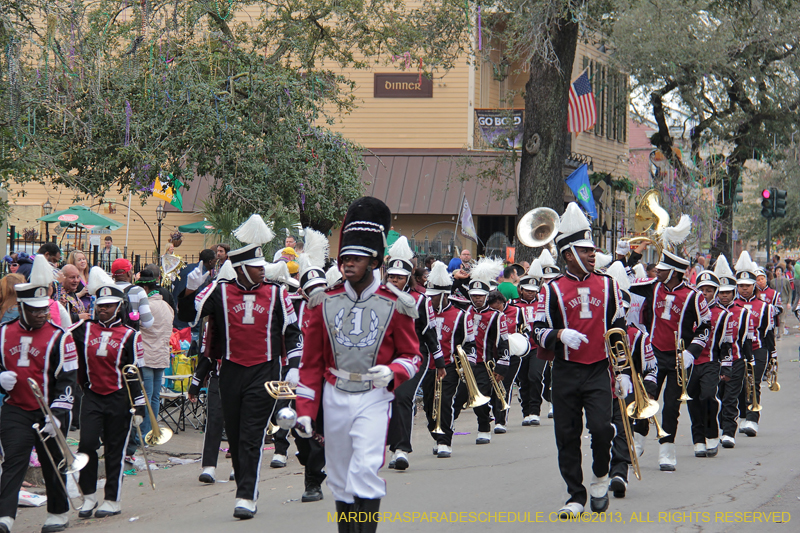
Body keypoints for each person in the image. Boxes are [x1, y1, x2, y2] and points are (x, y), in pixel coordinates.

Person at [295, 197, 421, 533]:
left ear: (375, 261)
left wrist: (393, 372)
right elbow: (310, 364)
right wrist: (305, 409)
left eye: (356, 258)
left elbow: (413, 357)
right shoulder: (324, 301)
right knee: (339, 474)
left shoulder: (398, 304)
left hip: (374, 395)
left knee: (365, 468)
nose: (347, 264)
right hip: (335, 393)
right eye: (344, 258)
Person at [178, 214, 303, 520]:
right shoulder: (220, 292)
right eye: (257, 267)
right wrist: (190, 289)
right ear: (243, 269)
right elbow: (187, 316)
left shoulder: (276, 294)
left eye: (263, 267)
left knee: (251, 434)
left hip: (264, 371)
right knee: (233, 434)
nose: (263, 271)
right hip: (230, 370)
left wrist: (294, 369)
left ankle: (245, 494)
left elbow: (293, 333)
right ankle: (247, 483)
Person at [532, 204, 627, 517]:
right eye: (586, 250)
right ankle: (575, 494)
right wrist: (559, 335)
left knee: (602, 429)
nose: (593, 254)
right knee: (567, 435)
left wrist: (624, 372)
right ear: (568, 253)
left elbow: (619, 331)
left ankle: (600, 475)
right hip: (566, 372)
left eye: (593, 249)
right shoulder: (551, 290)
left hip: (599, 369)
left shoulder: (609, 285)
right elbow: (537, 331)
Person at [0, 255, 78, 533]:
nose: (41, 313)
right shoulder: (3, 333)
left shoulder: (60, 336)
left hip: (50, 408)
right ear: (21, 308)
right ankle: (5, 517)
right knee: (14, 459)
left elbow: (68, 379)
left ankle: (57, 513)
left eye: (44, 308)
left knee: (52, 461)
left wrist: (57, 414)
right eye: (34, 310)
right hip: (16, 408)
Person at [71, 267, 145, 519]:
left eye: (109, 306)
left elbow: (135, 373)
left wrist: (140, 406)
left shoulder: (130, 336)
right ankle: (89, 496)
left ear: (119, 307)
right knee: (86, 445)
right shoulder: (82, 330)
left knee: (115, 449)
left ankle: (112, 499)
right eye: (100, 305)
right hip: (92, 396)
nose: (103, 310)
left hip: (119, 398)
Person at [630, 243, 711, 472]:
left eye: (662, 270)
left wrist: (691, 353)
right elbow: (625, 283)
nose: (657, 272)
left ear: (673, 272)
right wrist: (628, 256)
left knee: (671, 407)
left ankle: (667, 449)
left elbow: (705, 327)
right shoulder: (651, 287)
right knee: (646, 398)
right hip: (653, 354)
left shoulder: (694, 296)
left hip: (678, 357)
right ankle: (638, 441)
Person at [384, 237, 441, 471]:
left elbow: (430, 332)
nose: (394, 280)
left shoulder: (421, 301)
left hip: (415, 357)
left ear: (408, 278)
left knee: (402, 396)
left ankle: (401, 450)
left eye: (399, 277)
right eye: (391, 276)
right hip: (386, 358)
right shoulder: (377, 298)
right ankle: (389, 444)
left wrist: (440, 362)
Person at [603, 261, 658, 498]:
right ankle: (603, 470)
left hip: (627, 391)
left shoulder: (638, 336)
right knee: (603, 431)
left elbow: (652, 368)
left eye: (621, 309)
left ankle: (619, 473)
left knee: (624, 428)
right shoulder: (595, 333)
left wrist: (647, 391)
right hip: (598, 388)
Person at [420, 261, 474, 458]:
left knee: (445, 402)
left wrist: (468, 363)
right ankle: (437, 434)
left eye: (433, 297)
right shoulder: (422, 313)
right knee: (428, 406)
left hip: (449, 366)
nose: (429, 300)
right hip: (427, 366)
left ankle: (445, 440)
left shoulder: (461, 315)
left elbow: (469, 343)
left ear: (443, 295)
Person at [455, 257, 509, 444]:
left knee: (482, 398)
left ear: (487, 296)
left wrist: (502, 367)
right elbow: (447, 291)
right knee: (457, 398)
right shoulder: (463, 312)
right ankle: (445, 429)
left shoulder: (497, 316)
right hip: (465, 364)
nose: (477, 298)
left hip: (485, 364)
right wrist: (458, 278)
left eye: (480, 295)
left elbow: (503, 342)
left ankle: (484, 428)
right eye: (474, 295)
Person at [713, 256, 752, 449]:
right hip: (714, 361)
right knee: (717, 396)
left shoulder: (743, 312)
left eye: (728, 292)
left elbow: (745, 338)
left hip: (736, 360)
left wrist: (748, 360)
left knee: (730, 397)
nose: (725, 296)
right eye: (721, 293)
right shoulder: (710, 312)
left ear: (733, 292)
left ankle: (729, 431)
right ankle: (718, 428)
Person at [688, 270, 728, 458]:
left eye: (709, 290)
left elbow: (726, 341)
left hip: (711, 362)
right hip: (690, 363)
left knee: (708, 397)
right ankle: (698, 440)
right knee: (692, 401)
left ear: (716, 291)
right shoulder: (688, 310)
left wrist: (726, 366)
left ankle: (712, 434)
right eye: (702, 289)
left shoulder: (722, 314)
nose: (705, 293)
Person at [734, 252, 774, 438]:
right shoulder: (731, 305)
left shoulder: (765, 306)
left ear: (754, 286)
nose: (744, 289)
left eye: (747, 286)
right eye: (741, 286)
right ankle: (743, 414)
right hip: (737, 350)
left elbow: (768, 331)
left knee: (753, 381)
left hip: (758, 348)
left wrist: (772, 354)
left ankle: (752, 418)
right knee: (741, 383)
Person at [133, 269, 175, 443]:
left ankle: (144, 434)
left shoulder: (147, 306)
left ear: (145, 289)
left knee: (147, 396)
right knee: (155, 396)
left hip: (148, 354)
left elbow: (140, 325)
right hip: (162, 354)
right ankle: (153, 432)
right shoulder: (167, 306)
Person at [486, 290, 528, 433]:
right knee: (491, 386)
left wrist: (518, 340)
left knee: (505, 385)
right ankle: (493, 412)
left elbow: (526, 330)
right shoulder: (487, 314)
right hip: (492, 354)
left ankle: (501, 421)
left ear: (504, 302)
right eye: (493, 306)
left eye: (499, 305)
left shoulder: (517, 311)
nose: (496, 308)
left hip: (512, 353)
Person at [512, 261, 544, 426]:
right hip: (521, 348)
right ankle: (526, 412)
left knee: (535, 376)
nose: (531, 294)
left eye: (534, 291)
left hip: (538, 347)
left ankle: (535, 410)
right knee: (523, 380)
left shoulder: (542, 305)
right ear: (521, 290)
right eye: (528, 291)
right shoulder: (514, 306)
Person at [110, 258, 154, 330]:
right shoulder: (138, 291)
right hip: (129, 335)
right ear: (129, 273)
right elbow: (147, 322)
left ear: (113, 275)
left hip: (111, 335)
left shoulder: (108, 290)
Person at [769, 266, 791, 337]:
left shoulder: (786, 281)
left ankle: (780, 333)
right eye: (777, 271)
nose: (778, 272)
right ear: (775, 272)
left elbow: (789, 291)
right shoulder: (772, 281)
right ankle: (774, 333)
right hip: (775, 302)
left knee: (782, 318)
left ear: (782, 272)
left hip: (784, 301)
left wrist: (789, 302)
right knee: (775, 317)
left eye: (779, 271)